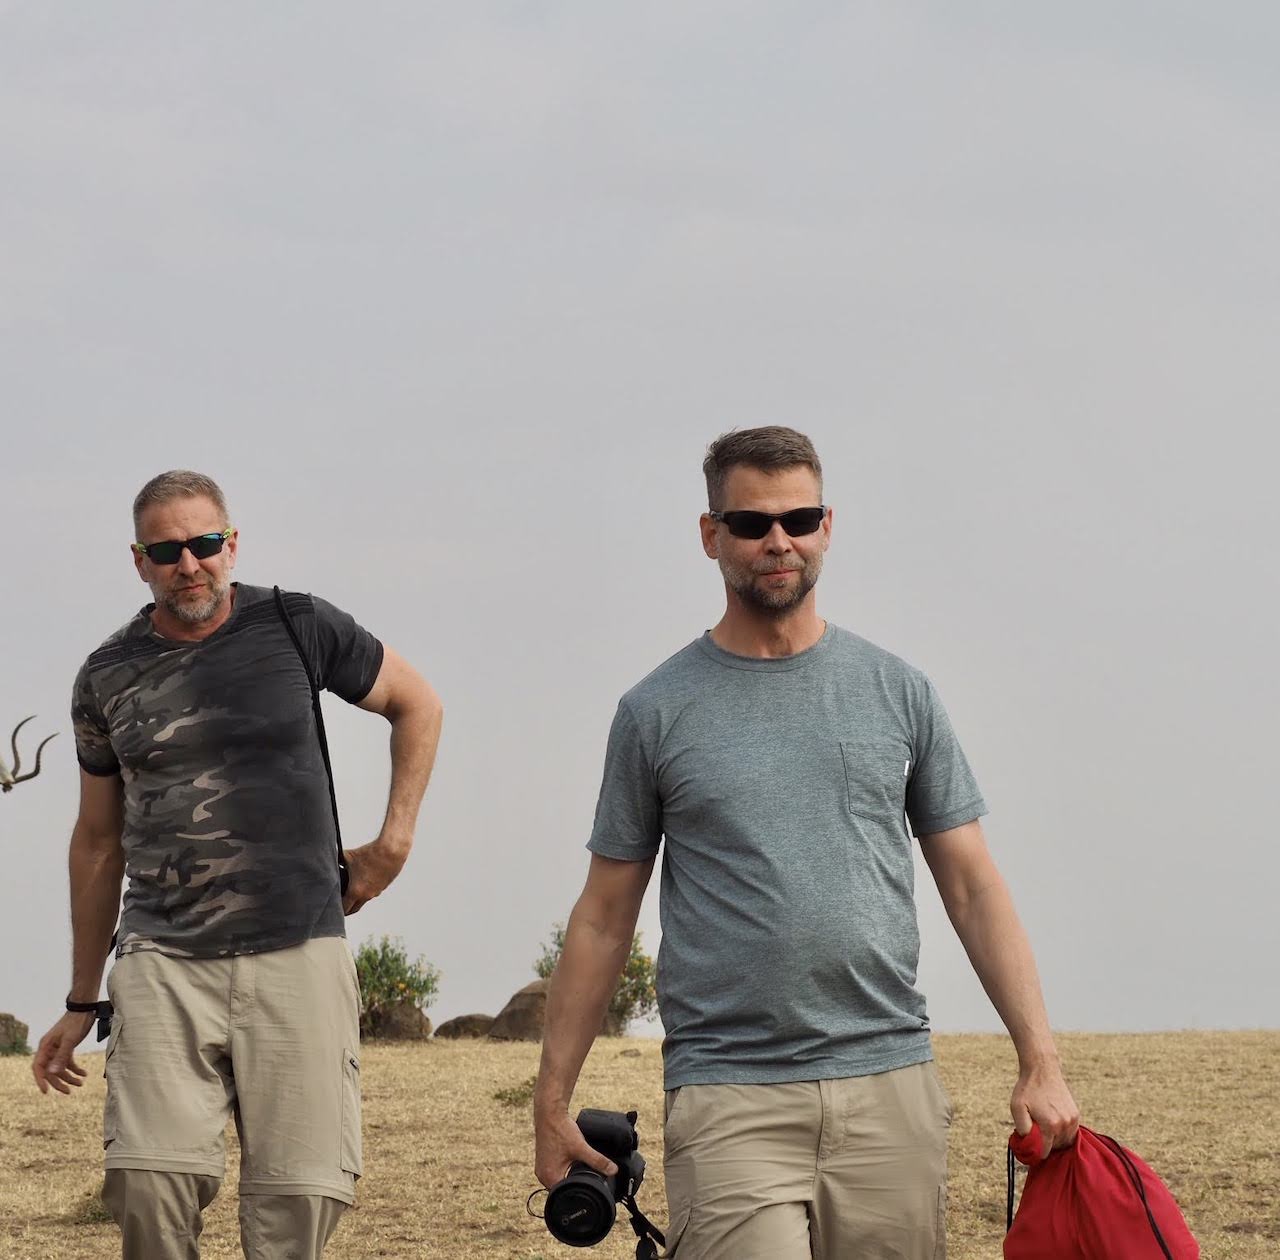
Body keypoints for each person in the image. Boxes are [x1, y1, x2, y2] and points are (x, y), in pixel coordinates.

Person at [533, 427, 1079, 1259]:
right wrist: (551, 1100)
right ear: (711, 535)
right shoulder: (655, 711)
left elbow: (971, 884)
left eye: (799, 517)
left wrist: (1040, 1059)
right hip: (729, 1095)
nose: (777, 539)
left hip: (889, 1081)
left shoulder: (898, 690)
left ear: (828, 524)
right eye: (751, 523)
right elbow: (606, 917)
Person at [31, 470, 444, 1260]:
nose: (189, 564)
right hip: (162, 956)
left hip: (298, 946)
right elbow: (96, 840)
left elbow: (417, 702)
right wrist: (82, 999)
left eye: (204, 543)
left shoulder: (297, 625)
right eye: (167, 549)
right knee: (149, 1186)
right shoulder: (105, 675)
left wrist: (391, 845)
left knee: (299, 1196)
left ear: (232, 543)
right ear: (139, 560)